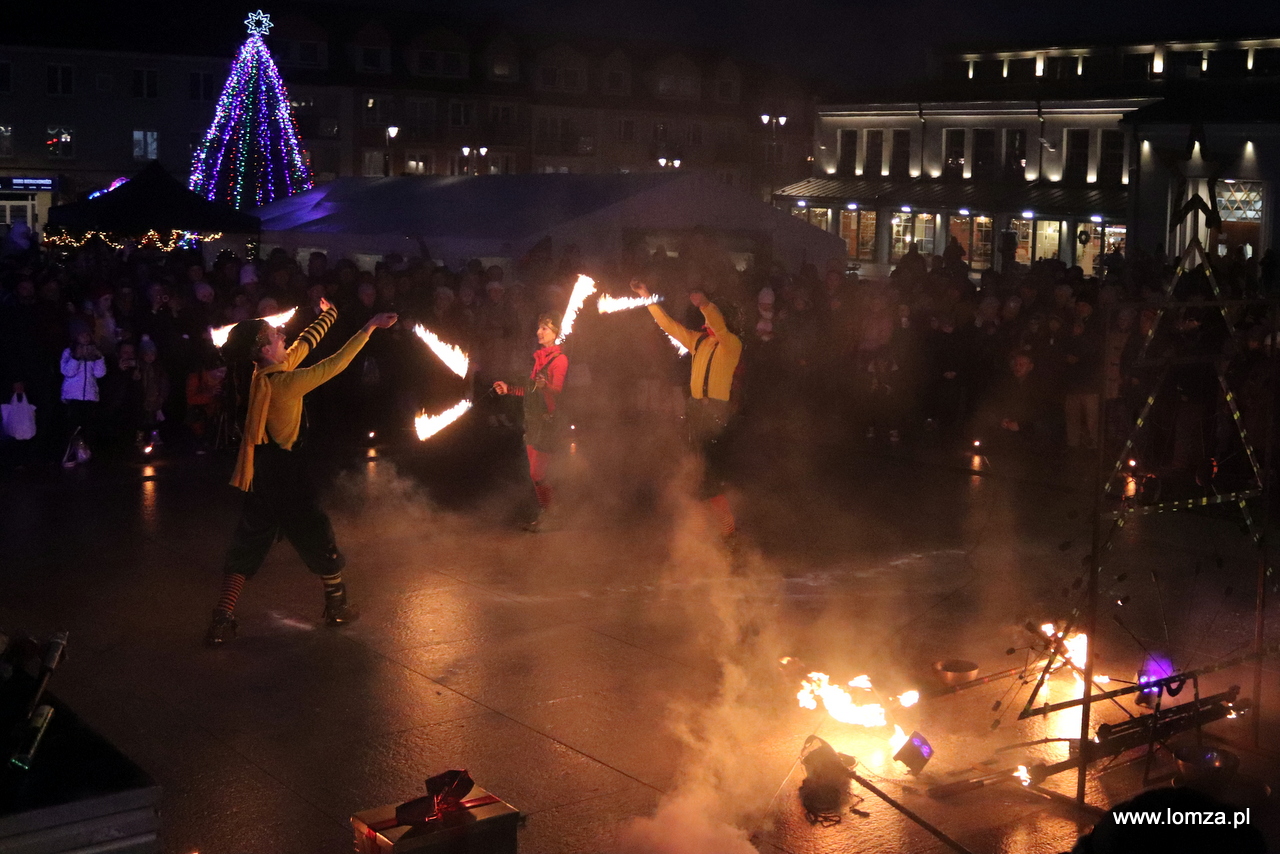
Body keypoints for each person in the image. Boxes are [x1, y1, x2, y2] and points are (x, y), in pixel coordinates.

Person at [205, 298, 398, 646]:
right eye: (274, 334)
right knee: (316, 532)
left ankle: (221, 616)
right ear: (264, 349)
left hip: (261, 472)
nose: (281, 334)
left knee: (248, 540)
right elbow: (334, 365)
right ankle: (337, 606)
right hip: (285, 474)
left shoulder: (261, 374)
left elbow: (303, 344)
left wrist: (330, 314)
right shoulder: (282, 384)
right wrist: (368, 328)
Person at [629, 278, 742, 543]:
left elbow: (719, 328)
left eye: (711, 319)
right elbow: (668, 325)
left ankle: (728, 532)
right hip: (695, 412)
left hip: (716, 413)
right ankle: (715, 529)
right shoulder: (698, 341)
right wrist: (646, 296)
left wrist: (704, 305)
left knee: (709, 476)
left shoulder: (732, 344)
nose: (706, 323)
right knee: (696, 473)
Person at [493, 311, 568, 532]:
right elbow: (532, 390)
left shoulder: (560, 359)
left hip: (548, 424)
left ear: (555, 333)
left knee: (538, 473)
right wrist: (509, 390)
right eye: (539, 327)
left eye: (544, 328)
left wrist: (547, 386)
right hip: (533, 422)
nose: (539, 332)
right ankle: (549, 514)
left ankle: (554, 513)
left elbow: (558, 391)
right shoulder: (539, 359)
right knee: (536, 475)